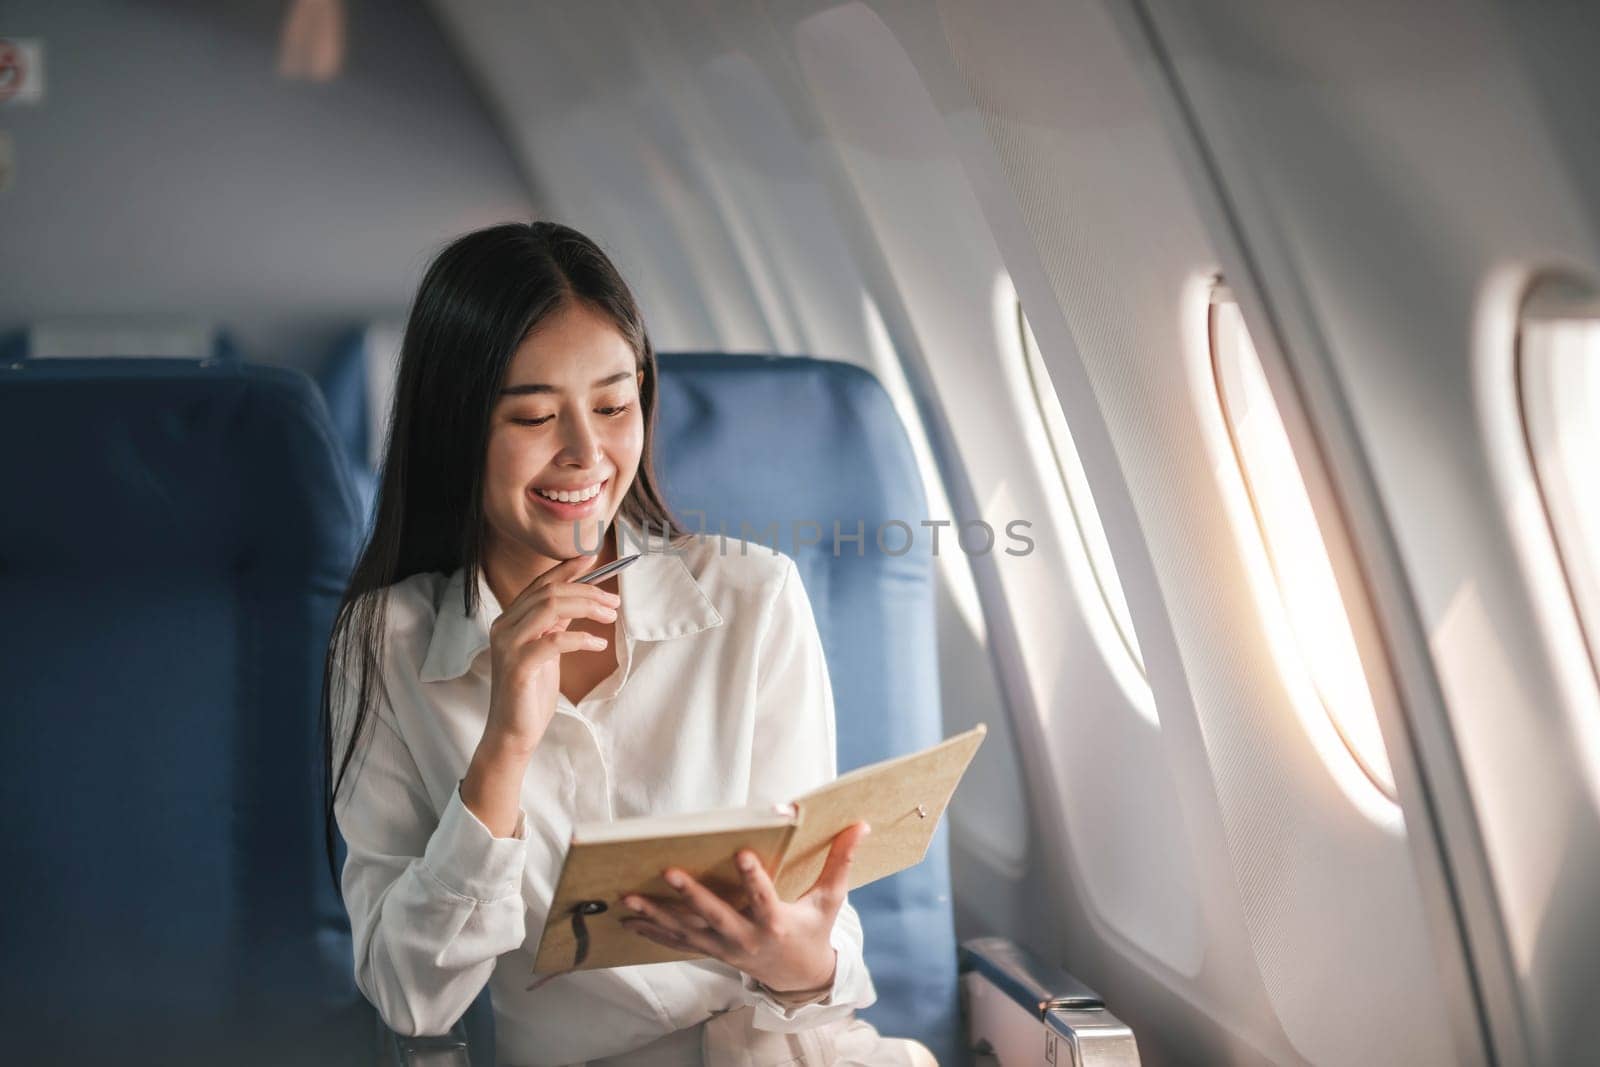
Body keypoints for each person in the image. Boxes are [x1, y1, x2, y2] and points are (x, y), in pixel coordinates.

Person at [321, 221, 937, 1066]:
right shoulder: (386, 643)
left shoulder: (752, 599)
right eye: (535, 415)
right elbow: (409, 995)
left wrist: (794, 960)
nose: (587, 453)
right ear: (454, 427)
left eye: (613, 405)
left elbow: (810, 948)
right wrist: (503, 745)